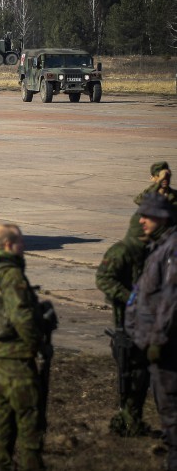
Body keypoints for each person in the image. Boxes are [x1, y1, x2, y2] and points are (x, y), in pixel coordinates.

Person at [0, 224, 54, 470]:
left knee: (2, 419)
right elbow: (21, 317)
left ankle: (2, 464)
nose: (24, 247)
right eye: (20, 242)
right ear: (8, 245)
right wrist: (36, 345)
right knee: (30, 418)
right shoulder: (10, 275)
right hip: (14, 357)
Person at [127, 195, 177, 469]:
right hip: (154, 347)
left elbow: (171, 301)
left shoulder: (172, 249)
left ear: (163, 218)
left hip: (166, 349)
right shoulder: (160, 247)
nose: (141, 220)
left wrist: (157, 340)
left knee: (172, 415)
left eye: (147, 215)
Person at [96, 233, 152, 436]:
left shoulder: (156, 250)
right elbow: (104, 279)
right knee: (132, 374)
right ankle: (128, 419)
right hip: (128, 326)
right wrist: (130, 298)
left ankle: (131, 419)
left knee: (142, 376)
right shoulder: (123, 252)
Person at [127, 161, 177, 239]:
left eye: (167, 176)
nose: (165, 179)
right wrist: (159, 183)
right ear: (152, 178)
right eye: (159, 176)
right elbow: (139, 200)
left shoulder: (175, 195)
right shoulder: (148, 194)